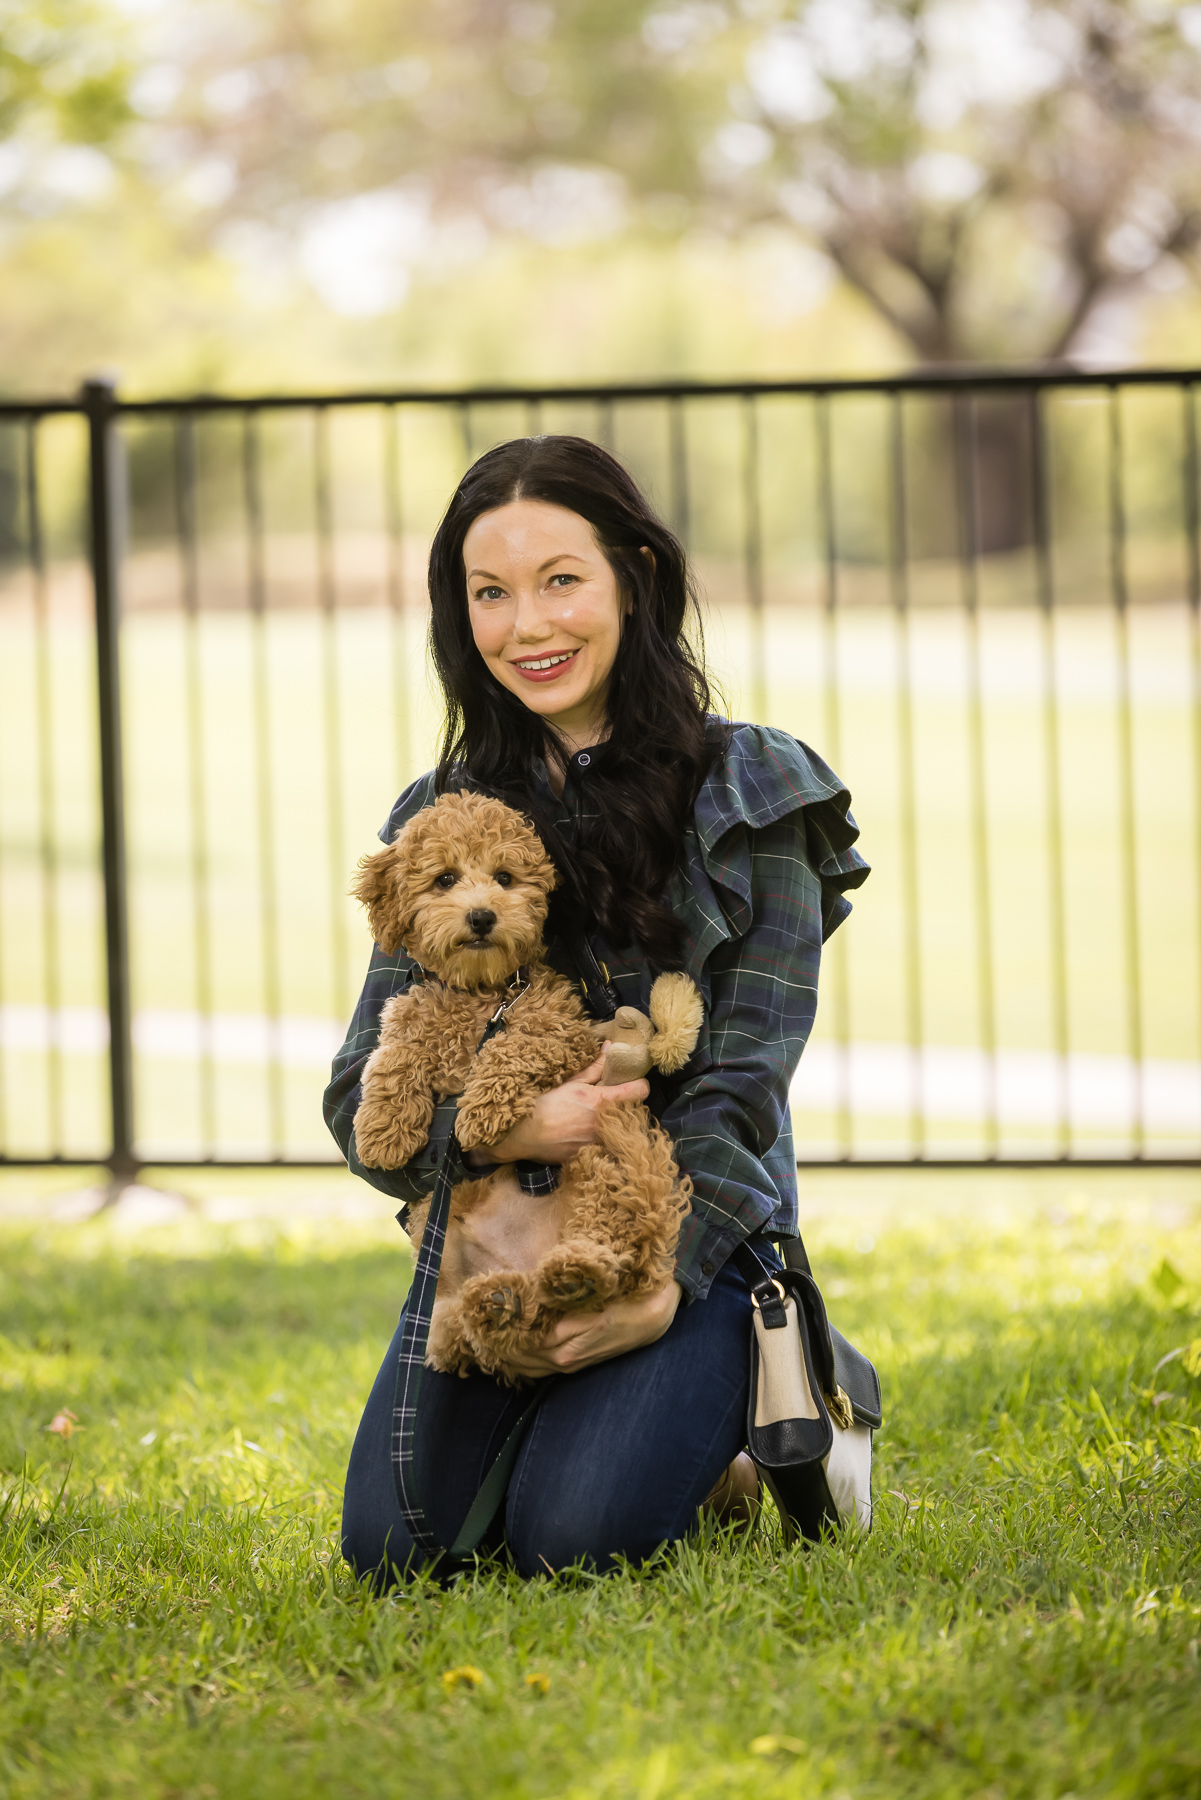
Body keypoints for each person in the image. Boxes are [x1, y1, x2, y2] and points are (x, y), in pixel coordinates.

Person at [325, 434, 868, 1582]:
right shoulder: (445, 814)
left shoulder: (752, 788)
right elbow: (354, 1098)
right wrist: (507, 1131)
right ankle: (556, 1426)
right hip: (500, 1247)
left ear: (635, 576)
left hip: (692, 1238)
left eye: (560, 580)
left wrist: (664, 1287)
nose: (528, 625)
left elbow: (743, 1081)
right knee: (394, 1553)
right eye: (490, 592)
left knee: (575, 1541)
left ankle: (730, 1422)